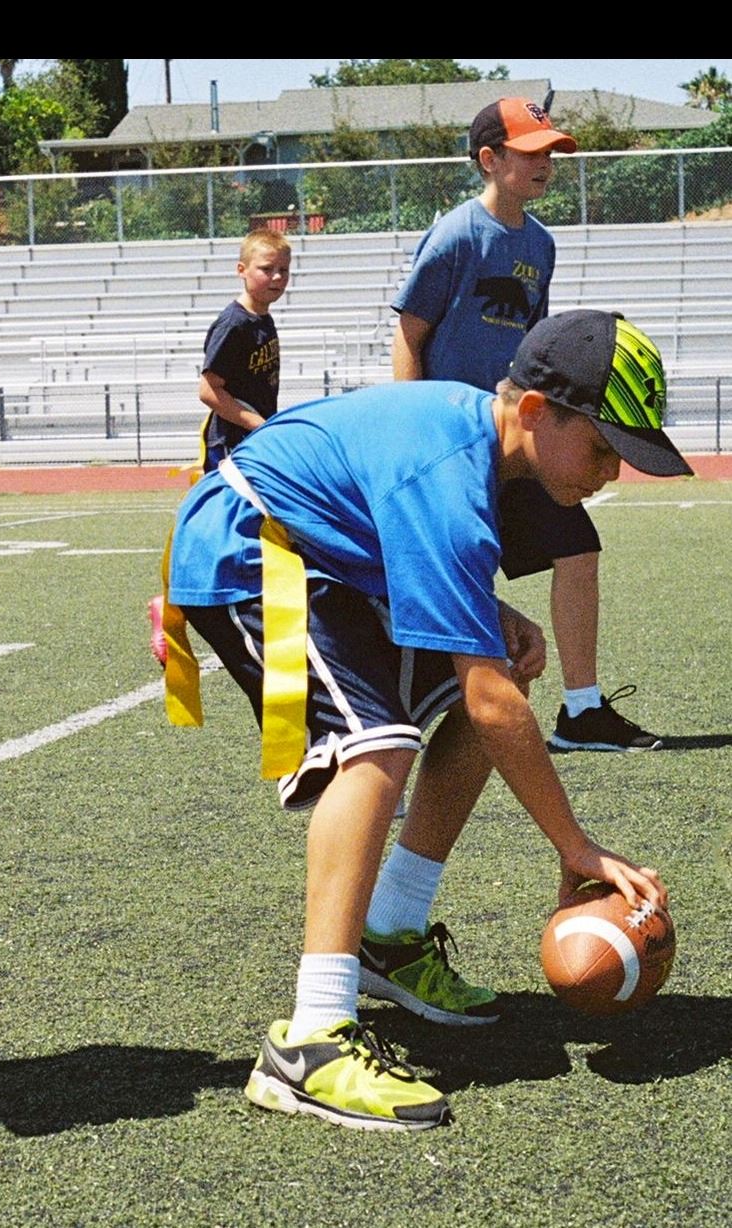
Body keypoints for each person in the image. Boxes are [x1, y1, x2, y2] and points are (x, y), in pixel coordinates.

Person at [162, 309, 687, 1131]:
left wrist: (487, 617)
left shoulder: (483, 455)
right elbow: (488, 697)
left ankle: (390, 935)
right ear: (538, 413)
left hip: (327, 554)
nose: (612, 472)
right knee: (376, 744)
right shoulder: (450, 464)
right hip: (249, 543)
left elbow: (471, 657)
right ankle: (312, 1039)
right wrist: (573, 843)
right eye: (603, 447)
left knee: (491, 675)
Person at [392, 96, 662, 754]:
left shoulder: (541, 244)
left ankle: (582, 710)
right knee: (454, 574)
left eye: (551, 153)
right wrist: (411, 428)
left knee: (578, 549)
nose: (545, 163)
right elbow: (410, 331)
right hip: (451, 441)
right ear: (490, 159)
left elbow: (532, 346)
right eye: (531, 151)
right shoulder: (457, 234)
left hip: (519, 435)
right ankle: (410, 723)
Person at [149, 227, 291, 663]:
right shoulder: (234, 324)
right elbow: (208, 390)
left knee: (254, 532)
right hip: (232, 445)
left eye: (285, 270)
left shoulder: (262, 321)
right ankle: (169, 608)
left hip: (254, 440)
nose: (278, 278)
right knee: (216, 534)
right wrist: (256, 423)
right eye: (267, 269)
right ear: (242, 270)